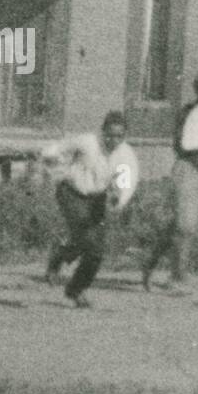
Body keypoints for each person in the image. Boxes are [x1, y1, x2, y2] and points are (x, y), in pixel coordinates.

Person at [43, 111, 140, 308]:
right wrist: (53, 165)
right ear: (102, 131)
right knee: (86, 236)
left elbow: (126, 184)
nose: (113, 140)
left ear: (124, 136)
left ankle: (75, 287)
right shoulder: (88, 142)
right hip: (71, 193)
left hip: (96, 199)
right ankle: (59, 259)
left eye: (119, 136)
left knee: (96, 251)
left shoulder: (125, 155)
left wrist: (119, 201)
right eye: (110, 134)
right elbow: (57, 149)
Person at [142, 74, 198, 292]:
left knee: (184, 226)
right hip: (189, 169)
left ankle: (151, 263)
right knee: (185, 226)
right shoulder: (195, 112)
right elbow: (186, 144)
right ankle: (178, 277)